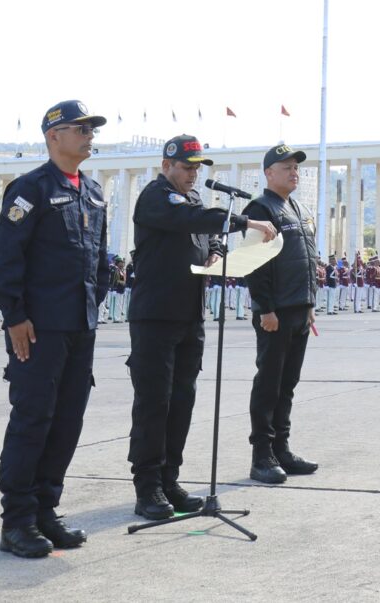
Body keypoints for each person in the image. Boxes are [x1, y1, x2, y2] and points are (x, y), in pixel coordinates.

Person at [127, 134, 276, 520]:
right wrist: (245, 220)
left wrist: (215, 251)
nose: (193, 174)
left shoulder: (194, 201)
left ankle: (169, 478)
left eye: (197, 168)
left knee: (182, 401)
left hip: (189, 314)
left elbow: (210, 236)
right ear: (167, 166)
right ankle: (148, 488)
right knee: (154, 403)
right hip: (155, 316)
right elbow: (188, 220)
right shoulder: (156, 196)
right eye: (186, 167)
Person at [0, 100, 110, 558]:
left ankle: (45, 509)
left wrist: (88, 310)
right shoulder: (30, 188)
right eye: (80, 128)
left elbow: (99, 262)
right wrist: (16, 316)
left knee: (67, 421)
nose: (88, 135)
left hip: (80, 327)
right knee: (33, 419)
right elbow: (3, 260)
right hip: (37, 330)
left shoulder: (93, 192)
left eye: (90, 129)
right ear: (53, 136)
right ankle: (17, 520)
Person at [242, 144, 320, 483]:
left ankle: (282, 450)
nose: (294, 172)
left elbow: (307, 260)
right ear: (268, 173)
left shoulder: (299, 209)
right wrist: (265, 309)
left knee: (288, 384)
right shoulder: (260, 209)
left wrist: (310, 306)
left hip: (300, 310)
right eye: (286, 167)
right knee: (269, 384)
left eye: (296, 167)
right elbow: (254, 266)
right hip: (275, 313)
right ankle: (262, 456)